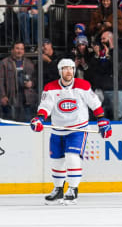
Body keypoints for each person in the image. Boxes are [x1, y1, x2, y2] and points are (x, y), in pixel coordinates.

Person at [29, 59, 112, 204]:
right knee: (57, 160)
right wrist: (39, 119)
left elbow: (95, 104)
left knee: (71, 156)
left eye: (71, 68)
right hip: (58, 129)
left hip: (77, 128)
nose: (69, 71)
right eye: (65, 69)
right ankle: (58, 189)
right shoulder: (50, 88)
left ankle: (73, 189)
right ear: (60, 71)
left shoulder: (83, 85)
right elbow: (45, 106)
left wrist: (102, 120)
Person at [0, 42, 37, 122]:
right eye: (17, 48)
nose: (19, 51)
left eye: (21, 49)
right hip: (10, 99)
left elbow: (36, 78)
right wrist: (2, 96)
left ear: (24, 51)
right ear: (12, 50)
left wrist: (32, 83)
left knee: (27, 124)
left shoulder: (29, 63)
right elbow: (1, 80)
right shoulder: (4, 63)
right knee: (10, 125)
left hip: (27, 100)